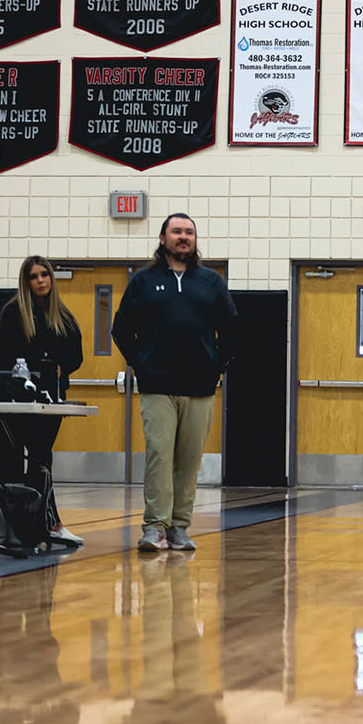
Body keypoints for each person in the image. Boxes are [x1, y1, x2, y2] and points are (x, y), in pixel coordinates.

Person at [112, 214, 236, 553]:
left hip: (200, 386)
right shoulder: (143, 281)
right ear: (163, 238)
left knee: (189, 460)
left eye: (189, 232)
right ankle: (155, 527)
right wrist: (143, 363)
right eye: (177, 231)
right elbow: (121, 329)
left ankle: (180, 527)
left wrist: (216, 366)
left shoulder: (211, 282)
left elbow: (231, 330)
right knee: (159, 455)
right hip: (157, 386)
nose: (184, 237)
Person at [0, 256, 85, 544]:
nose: (41, 280)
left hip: (52, 399)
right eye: (34, 276)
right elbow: (0, 355)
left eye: (45, 274)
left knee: (40, 460)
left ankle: (49, 522)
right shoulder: (12, 313)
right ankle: (14, 526)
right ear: (26, 282)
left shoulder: (63, 316)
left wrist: (61, 367)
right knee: (11, 462)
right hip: (17, 400)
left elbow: (77, 356)